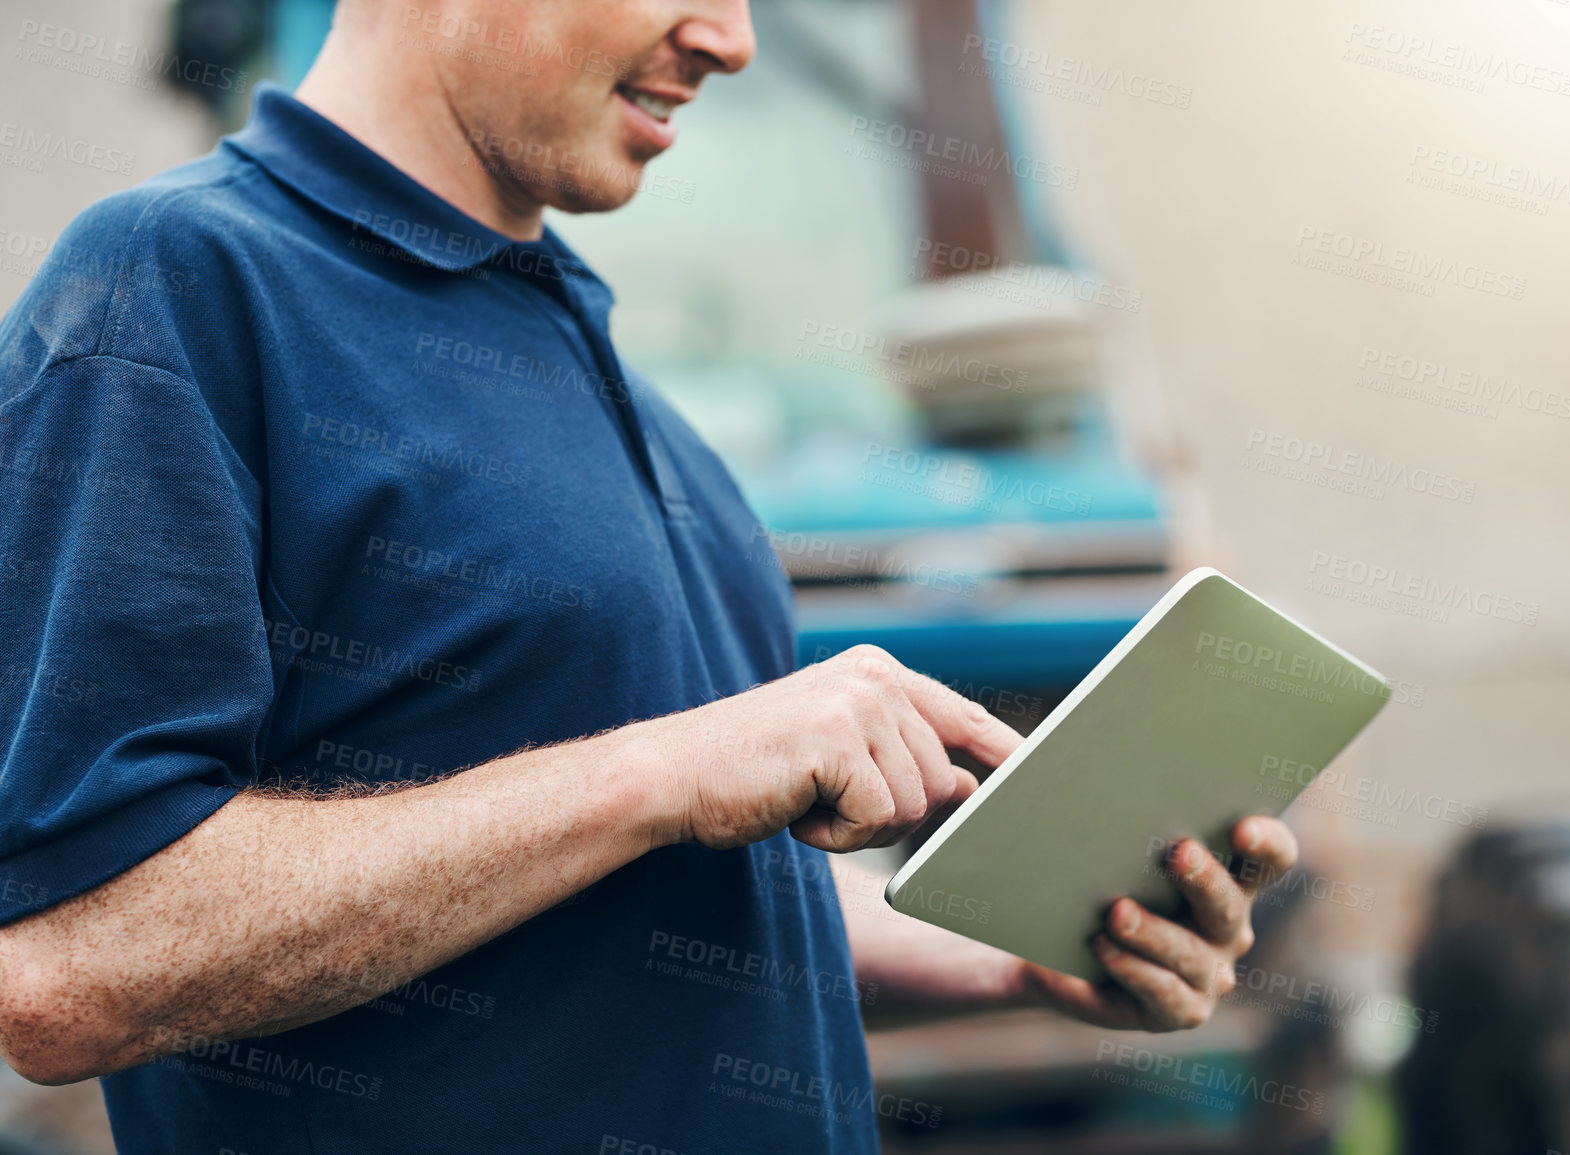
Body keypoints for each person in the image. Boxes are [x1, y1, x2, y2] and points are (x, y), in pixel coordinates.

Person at [0, 2, 1298, 1151]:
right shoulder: (166, 293)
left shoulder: (605, 373)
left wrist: (1000, 956)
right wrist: (666, 770)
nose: (731, 37)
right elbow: (71, 964)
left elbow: (644, 909)